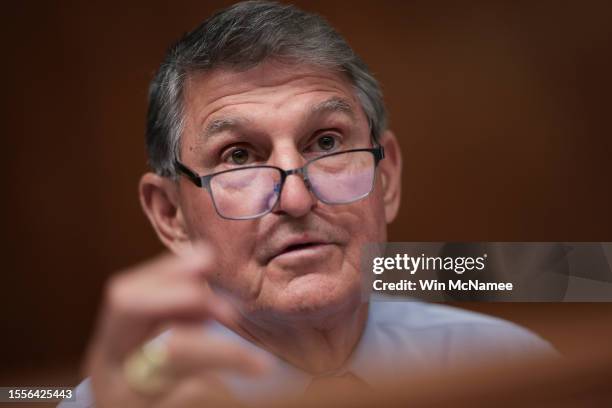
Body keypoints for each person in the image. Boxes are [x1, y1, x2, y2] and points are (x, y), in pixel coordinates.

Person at [61, 1, 554, 407]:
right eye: (238, 156)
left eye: (326, 144)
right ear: (171, 216)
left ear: (387, 179)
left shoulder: (512, 370)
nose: (296, 199)